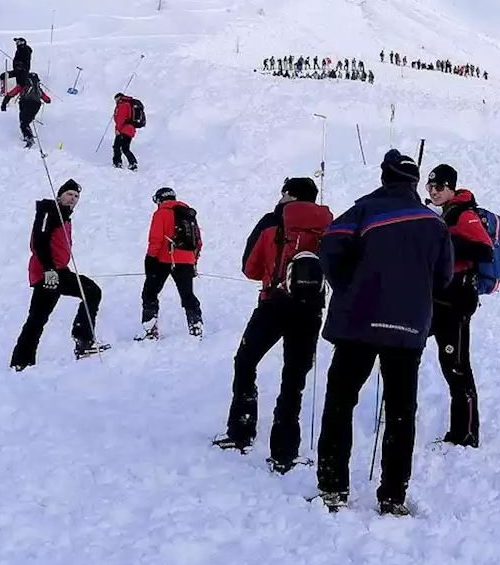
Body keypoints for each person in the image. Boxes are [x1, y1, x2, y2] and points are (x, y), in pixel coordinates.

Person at [314, 150, 453, 515]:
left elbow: (329, 247)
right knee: (401, 411)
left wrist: (347, 285)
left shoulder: (363, 211)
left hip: (357, 323)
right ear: (413, 182)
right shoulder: (435, 224)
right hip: (407, 329)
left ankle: (332, 488)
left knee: (341, 403)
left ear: (384, 177)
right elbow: (443, 278)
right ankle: (393, 495)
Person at [213, 178, 334, 469]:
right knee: (294, 378)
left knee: (245, 360)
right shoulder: (327, 225)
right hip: (310, 310)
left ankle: (241, 430)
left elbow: (250, 268)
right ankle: (284, 451)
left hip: (273, 303)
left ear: (288, 195)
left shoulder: (272, 223)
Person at [425, 164, 493, 448]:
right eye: (430, 186)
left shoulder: (465, 214)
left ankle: (465, 433)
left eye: (439, 186)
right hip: (437, 299)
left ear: (452, 187)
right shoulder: (442, 214)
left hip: (456, 303)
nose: (433, 191)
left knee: (456, 366)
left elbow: (484, 250)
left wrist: (447, 240)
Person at [9, 179, 106, 370]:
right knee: (92, 291)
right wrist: (50, 270)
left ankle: (21, 363)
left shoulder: (63, 217)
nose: (73, 198)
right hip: (50, 272)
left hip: (53, 271)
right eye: (69, 194)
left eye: (76, 196)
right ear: (60, 195)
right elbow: (39, 241)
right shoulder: (49, 211)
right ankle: (83, 340)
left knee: (37, 319)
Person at [140, 187, 204, 340]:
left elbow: (155, 239)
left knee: (150, 292)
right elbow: (198, 241)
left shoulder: (161, 213)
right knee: (187, 294)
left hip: (164, 259)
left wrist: (150, 259)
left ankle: (150, 329)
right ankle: (196, 325)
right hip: (187, 260)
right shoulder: (189, 214)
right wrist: (194, 261)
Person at [0, 72, 51, 148]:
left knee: (24, 122)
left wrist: (4, 103)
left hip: (25, 103)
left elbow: (11, 93)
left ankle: (29, 139)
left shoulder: (23, 84)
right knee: (26, 121)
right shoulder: (37, 88)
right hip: (36, 105)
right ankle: (29, 136)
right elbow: (47, 100)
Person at [112, 92, 139, 170]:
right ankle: (133, 163)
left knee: (116, 146)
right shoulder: (129, 104)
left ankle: (117, 163)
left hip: (123, 129)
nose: (116, 102)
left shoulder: (123, 104)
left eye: (116, 100)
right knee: (125, 148)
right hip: (130, 130)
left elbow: (121, 118)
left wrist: (117, 129)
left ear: (119, 97)